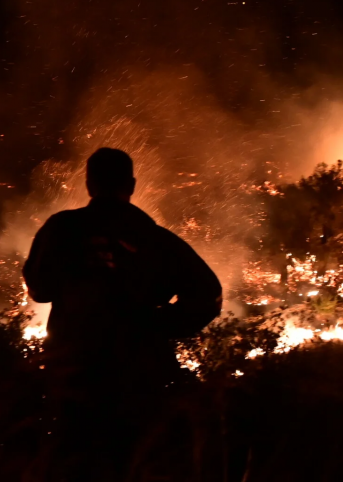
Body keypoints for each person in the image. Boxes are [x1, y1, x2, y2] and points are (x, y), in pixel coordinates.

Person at [23, 147, 222, 479]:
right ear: (131, 185)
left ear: (89, 184)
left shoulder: (62, 229)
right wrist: (158, 325)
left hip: (72, 373)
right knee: (134, 462)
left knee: (73, 464)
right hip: (139, 376)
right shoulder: (155, 239)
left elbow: (40, 290)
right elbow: (208, 294)